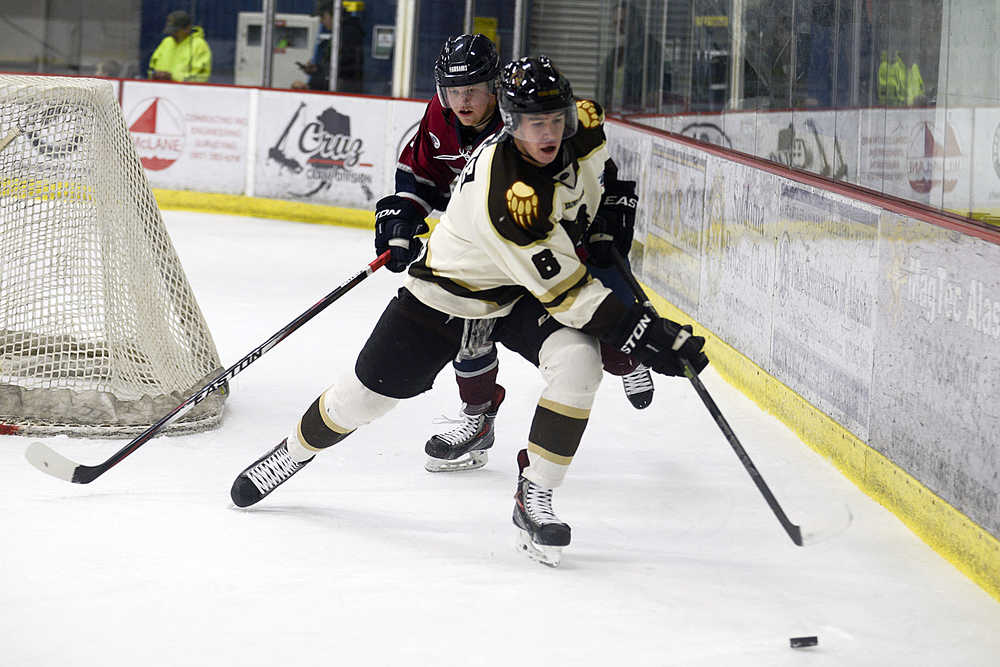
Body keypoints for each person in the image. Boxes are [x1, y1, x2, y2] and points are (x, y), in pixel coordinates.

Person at [229, 56, 709, 567]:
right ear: (510, 123)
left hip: (515, 294)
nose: (546, 134)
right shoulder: (507, 196)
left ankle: (536, 493)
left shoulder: (586, 125)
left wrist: (612, 204)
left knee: (578, 364)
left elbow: (600, 172)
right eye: (531, 124)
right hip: (446, 296)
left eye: (553, 120)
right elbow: (571, 296)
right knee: (361, 400)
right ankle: (293, 452)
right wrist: (649, 335)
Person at [377, 35, 656, 475]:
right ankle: (478, 421)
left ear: (495, 89)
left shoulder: (527, 120)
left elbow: (594, 170)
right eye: (453, 90)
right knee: (471, 328)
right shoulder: (440, 117)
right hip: (488, 255)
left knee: (603, 327)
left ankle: (627, 359)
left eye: (473, 89)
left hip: (547, 242)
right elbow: (419, 176)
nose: (462, 101)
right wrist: (401, 219)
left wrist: (607, 219)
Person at [292, 0, 364, 92]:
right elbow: (333, 69)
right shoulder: (342, 33)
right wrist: (317, 69)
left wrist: (310, 86)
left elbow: (341, 74)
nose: (321, 21)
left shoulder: (347, 35)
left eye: (322, 17)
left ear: (332, 14)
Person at [148, 10, 212, 83]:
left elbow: (202, 77)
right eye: (170, 31)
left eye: (175, 31)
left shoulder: (200, 45)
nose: (172, 34)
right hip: (160, 90)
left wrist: (173, 77)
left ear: (187, 29)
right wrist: (154, 75)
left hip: (186, 92)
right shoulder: (166, 42)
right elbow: (151, 68)